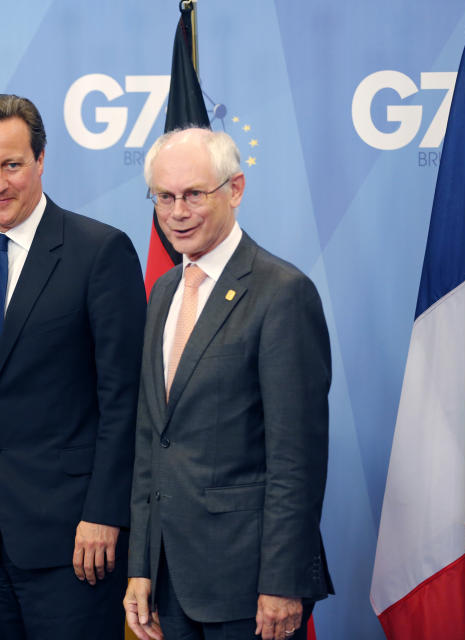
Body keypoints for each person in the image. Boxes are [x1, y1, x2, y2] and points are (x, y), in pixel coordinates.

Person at [0, 94, 146, 639]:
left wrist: (104, 513)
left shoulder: (100, 251)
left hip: (76, 537)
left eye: (12, 165)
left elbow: (125, 400)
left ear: (40, 161)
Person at [125, 127, 333, 640]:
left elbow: (295, 459)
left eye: (194, 194)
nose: (177, 212)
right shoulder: (164, 291)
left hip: (251, 584)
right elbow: (154, 440)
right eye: (165, 197)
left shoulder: (282, 293)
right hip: (171, 579)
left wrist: (283, 581)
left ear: (235, 189)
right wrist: (141, 566)